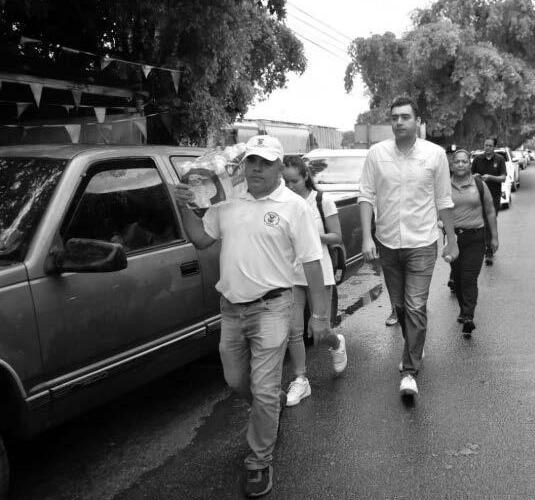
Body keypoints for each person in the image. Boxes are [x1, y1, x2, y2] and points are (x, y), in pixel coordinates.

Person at [172, 136, 330, 498]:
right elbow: (201, 239)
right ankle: (270, 404)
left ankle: (259, 461)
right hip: (230, 309)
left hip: (273, 307)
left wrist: (319, 314)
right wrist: (183, 207)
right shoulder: (227, 201)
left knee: (262, 386)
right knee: (235, 380)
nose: (257, 168)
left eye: (266, 162)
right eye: (252, 161)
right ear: (244, 165)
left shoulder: (294, 207)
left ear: (279, 167)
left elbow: (311, 262)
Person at [359, 95, 458, 397]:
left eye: (405, 117)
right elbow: (366, 195)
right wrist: (366, 237)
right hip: (388, 243)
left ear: (418, 122)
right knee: (400, 306)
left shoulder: (435, 155)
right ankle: (414, 344)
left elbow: (444, 200)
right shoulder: (377, 154)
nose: (399, 122)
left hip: (422, 242)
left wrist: (451, 239)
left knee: (415, 305)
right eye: (394, 117)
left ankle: (410, 371)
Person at [281, 155, 348, 407]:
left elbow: (337, 236)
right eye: (285, 182)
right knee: (293, 329)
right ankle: (301, 379)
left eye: (294, 181)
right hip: (291, 272)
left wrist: (310, 236)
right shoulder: (281, 203)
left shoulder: (322, 201)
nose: (290, 186)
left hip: (319, 270)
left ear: (306, 176)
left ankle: (336, 342)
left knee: (319, 331)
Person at [448, 149, 499, 336]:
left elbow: (490, 210)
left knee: (469, 278)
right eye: (457, 161)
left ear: (469, 164)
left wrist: (494, 237)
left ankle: (468, 316)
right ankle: (464, 309)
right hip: (453, 239)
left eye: (464, 161)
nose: (461, 164)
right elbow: (438, 209)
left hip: (476, 238)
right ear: (452, 165)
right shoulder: (444, 186)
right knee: (458, 278)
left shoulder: (479, 184)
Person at [471, 137, 507, 266]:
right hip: (478, 195)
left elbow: (503, 178)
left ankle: (489, 250)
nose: (487, 148)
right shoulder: (477, 159)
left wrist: (490, 177)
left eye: (490, 146)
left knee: (490, 221)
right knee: (481, 222)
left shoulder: (500, 159)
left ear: (494, 147)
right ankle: (481, 247)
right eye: (486, 145)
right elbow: (469, 176)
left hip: (494, 196)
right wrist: (475, 177)